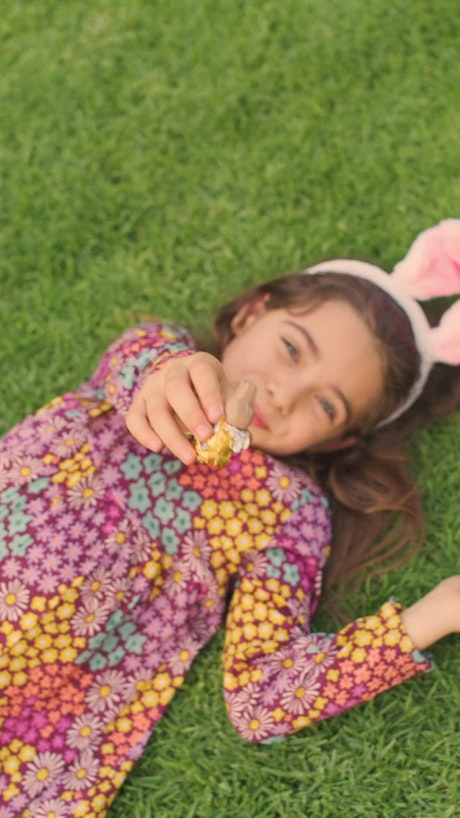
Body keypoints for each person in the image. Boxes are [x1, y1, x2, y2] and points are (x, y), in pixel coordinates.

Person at [0, 220, 459, 817]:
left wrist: (438, 612)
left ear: (342, 441)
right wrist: (176, 374)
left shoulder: (288, 513)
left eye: (326, 405)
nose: (282, 393)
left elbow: (263, 695)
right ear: (251, 313)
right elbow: (148, 375)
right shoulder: (158, 359)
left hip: (28, 725)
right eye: (292, 348)